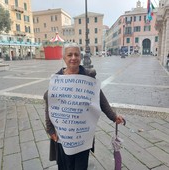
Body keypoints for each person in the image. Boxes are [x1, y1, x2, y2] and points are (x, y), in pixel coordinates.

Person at [44, 42, 124, 170]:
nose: (73, 58)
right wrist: (50, 130)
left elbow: (101, 99)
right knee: (64, 166)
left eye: (76, 54)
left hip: (83, 136)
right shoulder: (57, 79)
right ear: (64, 58)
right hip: (63, 136)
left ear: (80, 58)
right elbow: (50, 103)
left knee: (81, 166)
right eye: (70, 54)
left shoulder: (88, 78)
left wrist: (113, 117)